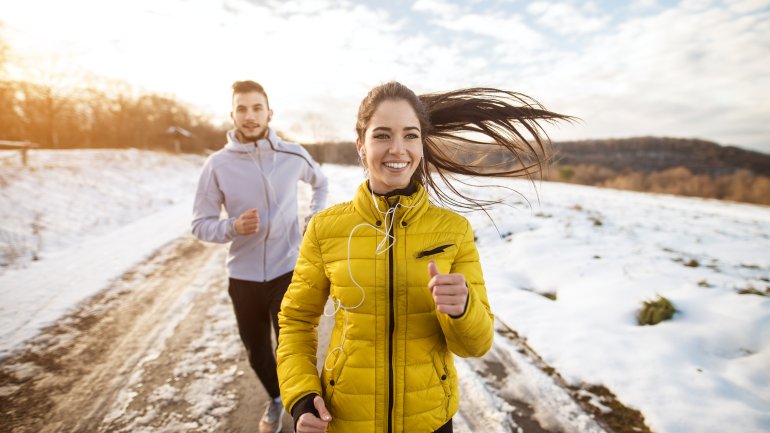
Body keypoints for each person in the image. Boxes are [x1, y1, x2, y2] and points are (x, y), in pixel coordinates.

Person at [276, 81, 573, 433]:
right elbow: (296, 321)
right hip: (346, 420)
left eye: (410, 135)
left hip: (429, 421)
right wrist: (302, 397)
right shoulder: (326, 228)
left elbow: (475, 345)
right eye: (382, 135)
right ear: (361, 145)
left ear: (422, 144)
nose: (397, 149)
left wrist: (462, 309)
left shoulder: (453, 231)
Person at [192, 80, 328, 433]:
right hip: (244, 277)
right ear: (232, 115)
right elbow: (200, 224)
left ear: (270, 112)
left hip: (287, 270)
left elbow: (321, 182)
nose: (250, 116)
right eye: (242, 109)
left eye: (256, 108)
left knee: (292, 346)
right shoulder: (217, 165)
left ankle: (303, 411)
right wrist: (232, 227)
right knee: (257, 352)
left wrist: (312, 218)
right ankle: (275, 397)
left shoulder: (293, 154)